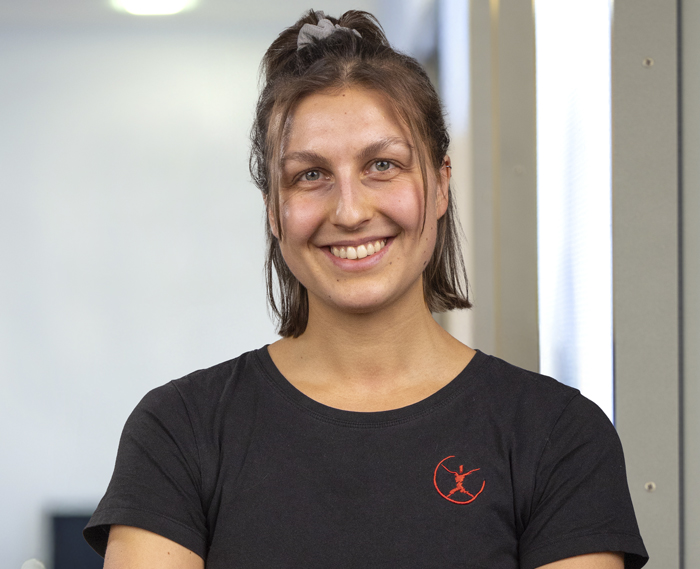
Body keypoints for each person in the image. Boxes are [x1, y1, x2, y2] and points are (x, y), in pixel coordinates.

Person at [84, 9, 648, 569]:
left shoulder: (558, 436)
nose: (350, 211)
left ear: (441, 184)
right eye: (310, 175)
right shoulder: (180, 430)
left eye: (382, 165)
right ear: (274, 211)